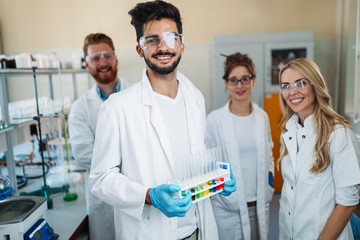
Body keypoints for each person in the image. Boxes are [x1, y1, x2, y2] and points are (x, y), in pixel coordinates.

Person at [88, 1, 236, 240]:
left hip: (198, 230)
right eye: (152, 40)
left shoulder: (195, 98)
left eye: (171, 37)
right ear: (140, 49)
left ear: (182, 44)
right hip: (150, 232)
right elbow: (100, 178)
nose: (163, 47)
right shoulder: (117, 108)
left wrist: (215, 176)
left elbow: (195, 154)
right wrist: (148, 195)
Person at [278, 57, 360, 239]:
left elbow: (347, 202)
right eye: (286, 85)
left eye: (301, 83)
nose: (293, 92)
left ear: (315, 85)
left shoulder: (338, 134)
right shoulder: (289, 131)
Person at [68, 33, 130, 240]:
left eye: (107, 56)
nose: (103, 62)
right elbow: (85, 156)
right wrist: (130, 155)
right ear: (87, 64)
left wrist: (110, 158)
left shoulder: (138, 96)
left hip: (137, 193)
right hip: (103, 201)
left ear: (116, 59)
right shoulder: (80, 109)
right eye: (95, 58)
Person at [206, 52, 274, 240]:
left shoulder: (262, 117)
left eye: (245, 79)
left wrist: (269, 185)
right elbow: (208, 164)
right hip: (227, 207)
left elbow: (269, 156)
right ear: (226, 83)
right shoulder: (214, 120)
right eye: (233, 80)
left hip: (259, 203)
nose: (240, 86)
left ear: (253, 80)